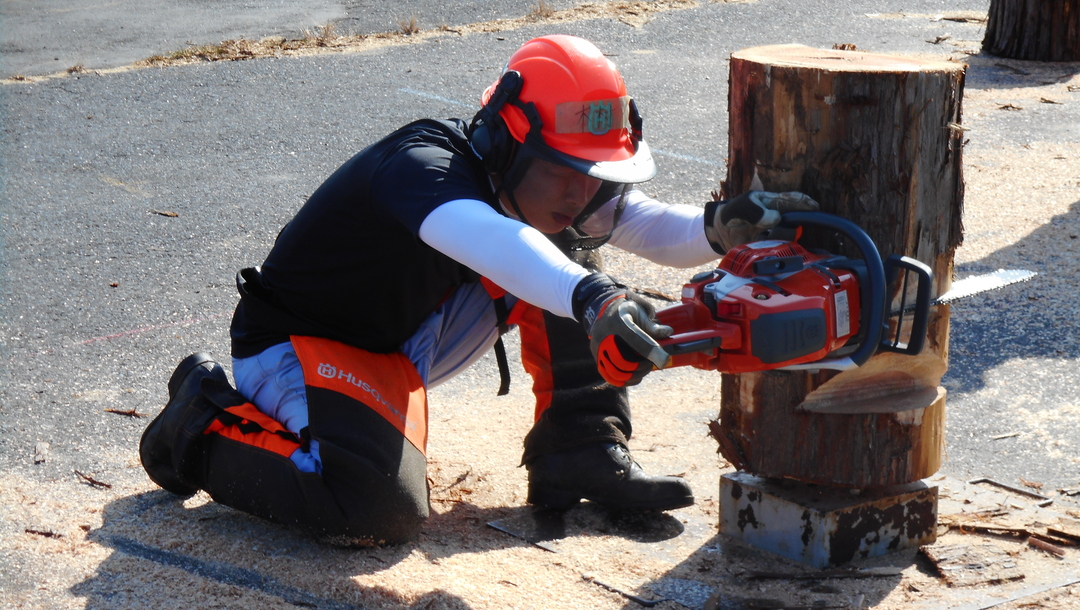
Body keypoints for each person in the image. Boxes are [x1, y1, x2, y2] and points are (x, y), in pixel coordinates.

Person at [139, 34, 817, 545]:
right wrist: (594, 300)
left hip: (403, 340)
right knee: (375, 508)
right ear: (506, 141)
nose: (584, 189)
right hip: (302, 347)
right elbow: (487, 239)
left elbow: (638, 222)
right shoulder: (424, 166)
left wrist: (721, 227)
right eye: (566, 170)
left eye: (594, 172)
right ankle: (198, 424)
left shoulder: (544, 188)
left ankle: (577, 452)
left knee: (570, 245)